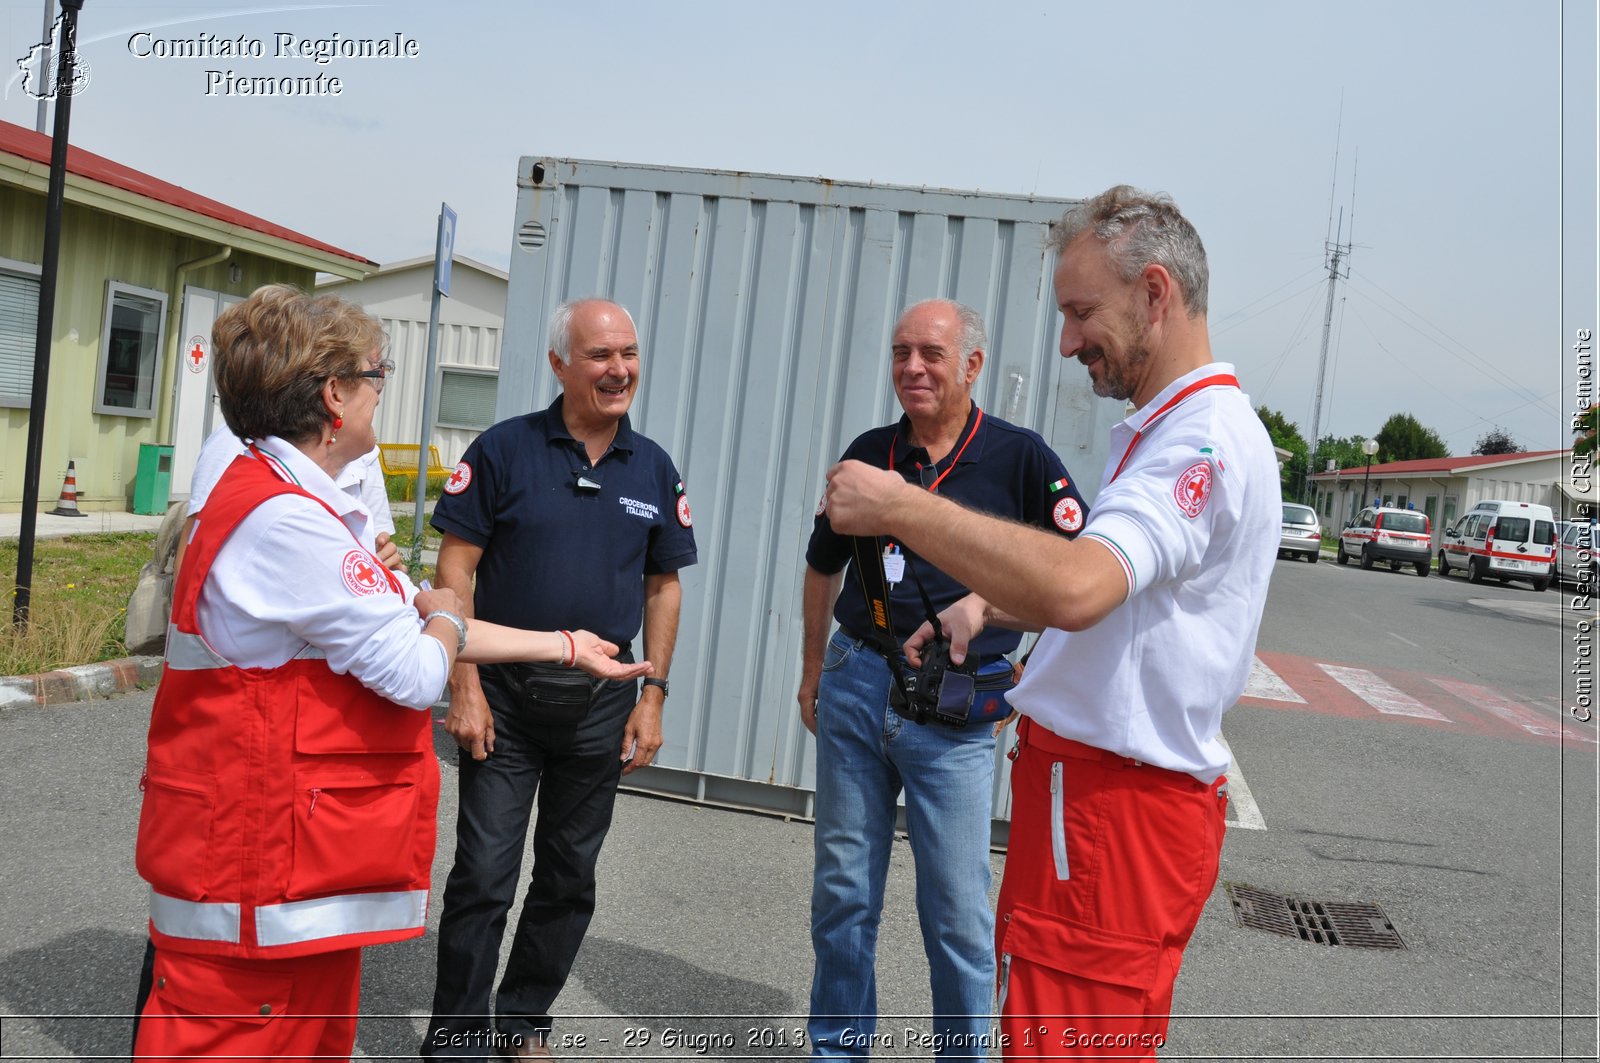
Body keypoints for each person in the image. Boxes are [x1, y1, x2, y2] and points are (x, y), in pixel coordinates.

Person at [130, 285, 648, 1063]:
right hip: (254, 869)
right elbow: (416, 661)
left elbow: (418, 611)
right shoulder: (285, 520)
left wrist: (564, 646)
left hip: (285, 869)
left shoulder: (291, 500)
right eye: (380, 374)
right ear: (334, 395)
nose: (384, 390)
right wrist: (443, 611)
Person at [822, 187, 1278, 1059]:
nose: (1068, 341)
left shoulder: (1199, 440)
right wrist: (988, 602)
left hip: (1112, 812)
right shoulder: (1174, 427)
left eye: (1080, 312)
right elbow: (1116, 592)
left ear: (1154, 293)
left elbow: (1078, 586)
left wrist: (903, 506)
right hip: (1098, 806)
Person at [800, 298, 1088, 1059]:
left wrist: (1024, 671)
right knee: (842, 895)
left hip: (956, 708)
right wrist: (809, 674)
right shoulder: (868, 453)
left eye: (930, 352)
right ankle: (837, 1051)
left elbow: (1082, 575)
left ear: (972, 364)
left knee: (958, 915)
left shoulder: (1022, 459)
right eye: (900, 352)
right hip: (856, 682)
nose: (912, 367)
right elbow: (821, 563)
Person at [423, 297, 697, 1061]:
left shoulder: (653, 467)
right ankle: (454, 1039)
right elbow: (457, 569)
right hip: (504, 703)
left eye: (629, 354)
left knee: (570, 877)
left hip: (600, 710)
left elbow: (664, 586)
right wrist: (465, 686)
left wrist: (654, 694)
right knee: (483, 874)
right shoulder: (505, 450)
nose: (619, 369)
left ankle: (522, 1023)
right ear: (558, 364)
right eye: (601, 355)